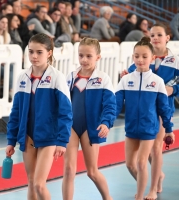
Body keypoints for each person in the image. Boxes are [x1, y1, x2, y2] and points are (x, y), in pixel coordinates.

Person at [121, 23, 179, 200]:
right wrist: (124, 76)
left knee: (156, 149)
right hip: (142, 112)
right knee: (146, 154)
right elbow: (131, 77)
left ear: (168, 38)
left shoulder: (175, 62)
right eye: (152, 35)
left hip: (162, 110)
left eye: (159, 35)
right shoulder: (142, 58)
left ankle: (153, 188)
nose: (155, 38)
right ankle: (154, 177)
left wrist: (171, 90)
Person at [5, 33, 72, 200]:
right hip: (27, 136)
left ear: (49, 53)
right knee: (31, 181)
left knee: (39, 185)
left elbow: (66, 112)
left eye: (39, 52)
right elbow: (16, 112)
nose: (34, 56)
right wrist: (11, 140)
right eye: (31, 51)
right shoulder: (23, 77)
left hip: (49, 137)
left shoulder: (57, 77)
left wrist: (62, 141)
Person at [63, 37, 116, 200]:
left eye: (88, 56)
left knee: (92, 171)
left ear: (98, 57)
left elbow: (110, 106)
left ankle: (108, 197)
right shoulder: (71, 77)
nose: (84, 60)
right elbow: (62, 103)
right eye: (81, 55)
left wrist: (106, 123)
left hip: (91, 127)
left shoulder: (103, 79)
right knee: (69, 170)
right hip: (71, 127)